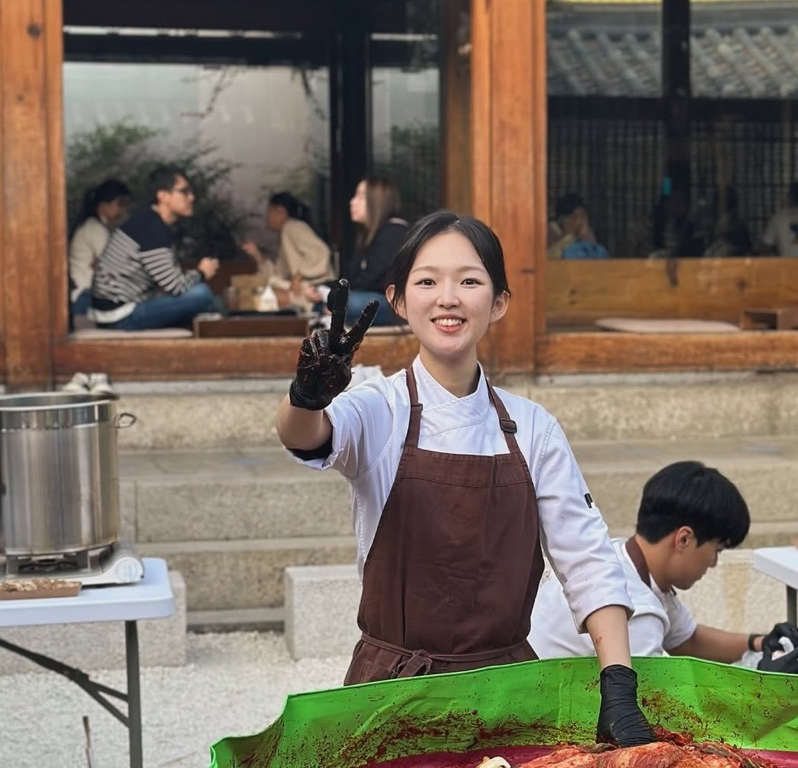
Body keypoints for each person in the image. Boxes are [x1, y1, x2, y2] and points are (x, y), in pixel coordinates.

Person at [277, 211, 656, 748]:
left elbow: (587, 560)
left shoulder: (534, 428)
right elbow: (306, 436)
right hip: (391, 694)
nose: (448, 298)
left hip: (507, 692)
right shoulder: (377, 407)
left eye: (470, 281)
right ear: (398, 300)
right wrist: (306, 397)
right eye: (427, 281)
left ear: (499, 302)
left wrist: (618, 685)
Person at [529, 461, 798, 674]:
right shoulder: (636, 612)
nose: (713, 563)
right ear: (684, 539)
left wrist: (758, 643)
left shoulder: (617, 556)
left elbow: (689, 639)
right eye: (717, 550)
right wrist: (760, 679)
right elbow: (658, 707)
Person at [90, 166, 219, 331]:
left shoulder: (149, 221)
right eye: (184, 192)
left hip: (119, 310)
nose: (191, 197)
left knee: (205, 303)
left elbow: (167, 281)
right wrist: (201, 272)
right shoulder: (151, 228)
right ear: (163, 196)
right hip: (120, 315)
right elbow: (175, 286)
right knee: (201, 294)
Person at [240, 191, 334, 311]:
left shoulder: (293, 227)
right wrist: (257, 255)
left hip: (312, 290)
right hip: (299, 290)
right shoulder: (287, 231)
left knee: (254, 296)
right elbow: (278, 274)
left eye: (269, 211)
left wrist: (299, 276)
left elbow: (321, 252)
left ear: (280, 212)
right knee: (251, 294)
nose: (266, 217)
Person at [343, 175, 408, 326]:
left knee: (349, 304)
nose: (352, 202)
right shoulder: (369, 235)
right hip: (370, 298)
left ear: (376, 201)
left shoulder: (394, 232)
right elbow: (353, 277)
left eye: (360, 197)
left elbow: (372, 280)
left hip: (395, 304)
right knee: (329, 302)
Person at [68, 179, 131, 316]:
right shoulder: (94, 228)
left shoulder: (92, 227)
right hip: (85, 295)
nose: (123, 210)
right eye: (120, 204)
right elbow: (112, 266)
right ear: (103, 205)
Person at [547, 193, 610, 260]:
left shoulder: (586, 234)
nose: (579, 222)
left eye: (582, 216)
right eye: (573, 217)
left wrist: (587, 238)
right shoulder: (550, 233)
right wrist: (568, 237)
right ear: (561, 219)